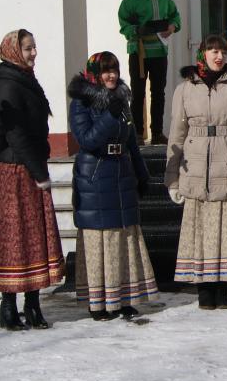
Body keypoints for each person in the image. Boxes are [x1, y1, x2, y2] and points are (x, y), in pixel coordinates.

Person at [0, 29, 65, 330]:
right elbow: (15, 134)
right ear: (14, 51)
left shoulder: (24, 80)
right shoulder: (6, 86)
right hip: (14, 171)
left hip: (30, 167)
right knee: (13, 239)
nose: (33, 53)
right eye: (28, 48)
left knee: (34, 237)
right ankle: (8, 306)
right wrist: (38, 171)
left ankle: (33, 304)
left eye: (34, 47)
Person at [165, 35, 227, 311]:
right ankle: (204, 288)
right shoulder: (185, 88)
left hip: (224, 165)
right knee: (200, 231)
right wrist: (171, 177)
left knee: (224, 230)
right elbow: (177, 133)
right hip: (194, 165)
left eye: (222, 51)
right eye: (212, 51)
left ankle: (223, 288)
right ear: (202, 53)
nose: (218, 56)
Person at [67, 52, 159, 320]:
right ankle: (98, 303)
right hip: (95, 175)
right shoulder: (81, 102)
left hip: (121, 171)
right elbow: (87, 140)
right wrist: (109, 115)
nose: (111, 75)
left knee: (122, 239)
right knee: (101, 240)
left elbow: (131, 141)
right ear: (95, 73)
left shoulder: (121, 98)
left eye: (115, 70)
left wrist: (142, 175)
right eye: (106, 71)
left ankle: (122, 298)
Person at [118, 0, 183, 145]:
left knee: (158, 92)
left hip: (159, 52)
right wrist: (137, 30)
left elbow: (175, 17)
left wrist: (171, 27)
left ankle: (157, 132)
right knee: (138, 93)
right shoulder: (129, 2)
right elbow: (124, 25)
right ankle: (137, 132)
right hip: (138, 52)